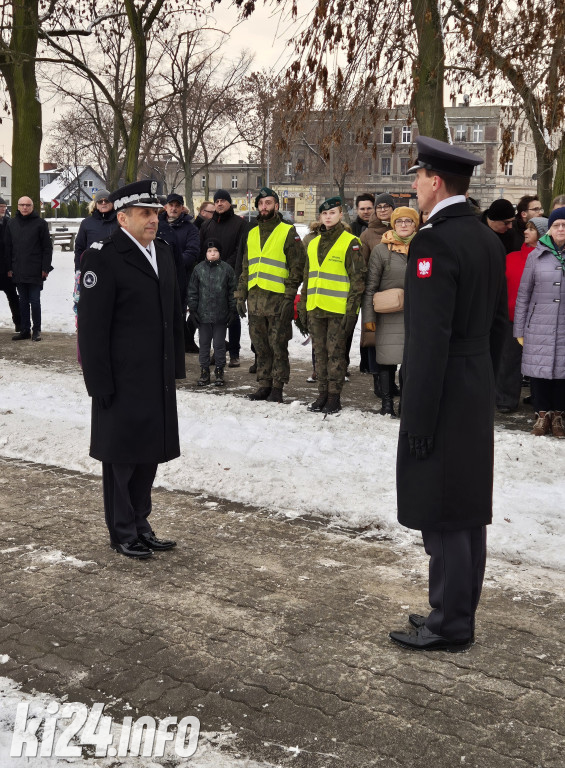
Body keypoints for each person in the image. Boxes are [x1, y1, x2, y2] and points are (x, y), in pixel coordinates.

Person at [389, 136, 507, 653]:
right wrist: (489, 383)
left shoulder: (434, 242)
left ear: (436, 181)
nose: (413, 186)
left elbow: (429, 340)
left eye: (417, 177)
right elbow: (500, 325)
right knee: (463, 505)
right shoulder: (484, 236)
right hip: (473, 382)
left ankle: (452, 623)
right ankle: (450, 607)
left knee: (444, 511)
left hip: (442, 389)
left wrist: (416, 417)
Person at [77, 180, 186, 560]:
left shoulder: (164, 252)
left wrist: (175, 366)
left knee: (149, 454)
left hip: (155, 376)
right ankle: (121, 530)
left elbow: (173, 314)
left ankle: (141, 524)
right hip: (121, 378)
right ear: (122, 218)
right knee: (121, 458)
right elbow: (91, 328)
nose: (153, 219)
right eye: (145, 213)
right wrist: (98, 381)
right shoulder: (103, 256)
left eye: (155, 213)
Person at [236, 187, 305, 402]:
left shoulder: (288, 231)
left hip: (278, 301)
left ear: (276, 205)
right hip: (255, 301)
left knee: (278, 345)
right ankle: (264, 384)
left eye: (268, 203)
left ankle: (277, 386)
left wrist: (290, 296)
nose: (264, 207)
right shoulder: (252, 232)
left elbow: (297, 267)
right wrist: (240, 294)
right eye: (261, 203)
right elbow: (246, 267)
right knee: (260, 346)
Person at [298, 196, 366, 414]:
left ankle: (334, 397)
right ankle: (322, 394)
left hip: (338, 310)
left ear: (340, 215)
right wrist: (303, 305)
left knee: (335, 355)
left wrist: (352, 312)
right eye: (324, 214)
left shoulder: (350, 242)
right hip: (316, 308)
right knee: (320, 354)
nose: (328, 217)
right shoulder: (313, 242)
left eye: (332, 213)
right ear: (320, 217)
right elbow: (308, 277)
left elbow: (357, 281)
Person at [362, 206, 418, 416]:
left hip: (414, 315)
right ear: (393, 224)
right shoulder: (381, 250)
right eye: (400, 221)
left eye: (408, 221)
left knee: (409, 363)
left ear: (415, 224)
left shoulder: (422, 247)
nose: (404, 225)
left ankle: (406, 404)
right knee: (386, 360)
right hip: (387, 314)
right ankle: (387, 404)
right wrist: (368, 318)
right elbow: (371, 287)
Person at [513, 207, 565, 438]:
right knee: (540, 372)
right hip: (539, 324)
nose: (561, 229)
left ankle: (559, 417)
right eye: (556, 225)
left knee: (562, 373)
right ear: (550, 229)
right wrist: (520, 329)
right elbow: (524, 294)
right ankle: (541, 416)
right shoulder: (536, 256)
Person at [496, 216, 548, 413]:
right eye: (526, 228)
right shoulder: (510, 258)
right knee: (509, 361)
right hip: (512, 318)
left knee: (539, 363)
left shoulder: (550, 259)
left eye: (531, 229)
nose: (525, 232)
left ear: (542, 234)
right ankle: (505, 400)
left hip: (541, 321)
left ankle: (540, 401)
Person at [200, 190, 246, 367]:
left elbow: (239, 250)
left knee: (232, 315)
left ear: (229, 203)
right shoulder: (207, 226)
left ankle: (234, 352)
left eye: (223, 200)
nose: (219, 203)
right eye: (216, 201)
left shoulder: (239, 224)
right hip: (210, 278)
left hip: (231, 276)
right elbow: (202, 250)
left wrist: (225, 269)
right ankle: (218, 349)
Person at [188, 238, 236, 387]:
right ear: (205, 253)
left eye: (215, 251)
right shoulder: (199, 269)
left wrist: (232, 309)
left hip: (221, 316)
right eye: (209, 251)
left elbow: (232, 291)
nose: (212, 254)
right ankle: (204, 371)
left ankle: (220, 370)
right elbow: (193, 291)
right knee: (204, 344)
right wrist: (193, 309)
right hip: (203, 316)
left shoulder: (227, 269)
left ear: (220, 253)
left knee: (220, 345)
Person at [6, 196, 53, 342]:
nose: (25, 207)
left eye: (28, 205)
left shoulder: (40, 224)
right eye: (22, 205)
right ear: (17, 206)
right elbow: (8, 247)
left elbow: (47, 248)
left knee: (35, 300)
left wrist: (45, 267)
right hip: (18, 268)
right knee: (23, 301)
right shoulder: (11, 223)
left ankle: (36, 330)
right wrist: (9, 267)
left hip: (35, 269)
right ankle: (25, 330)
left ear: (32, 207)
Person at [158, 192, 200, 353]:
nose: (174, 208)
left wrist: (172, 263)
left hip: (180, 278)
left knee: (177, 314)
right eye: (171, 205)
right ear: (166, 207)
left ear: (182, 208)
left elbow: (192, 251)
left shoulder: (190, 228)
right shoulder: (157, 225)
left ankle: (176, 349)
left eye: (177, 206)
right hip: (159, 277)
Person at [0, 197, 20, 332]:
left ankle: (19, 323)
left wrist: (11, 267)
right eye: (0, 206)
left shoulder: (9, 222)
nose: (3, 209)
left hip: (7, 266)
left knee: (13, 295)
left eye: (4, 207)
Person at [360, 193, 396, 262]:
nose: (382, 210)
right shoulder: (366, 235)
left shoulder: (401, 230)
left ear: (393, 208)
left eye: (386, 206)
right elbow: (363, 263)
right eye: (379, 207)